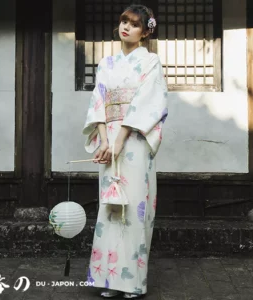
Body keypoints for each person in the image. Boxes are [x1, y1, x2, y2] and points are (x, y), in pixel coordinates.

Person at [82, 4, 168, 299]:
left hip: (134, 140)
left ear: (145, 32)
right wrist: (105, 141)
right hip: (110, 142)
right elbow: (99, 103)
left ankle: (131, 282)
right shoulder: (107, 63)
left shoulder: (150, 62)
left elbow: (148, 102)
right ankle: (109, 280)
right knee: (110, 207)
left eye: (133, 24)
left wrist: (119, 140)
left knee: (132, 207)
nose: (126, 27)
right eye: (123, 21)